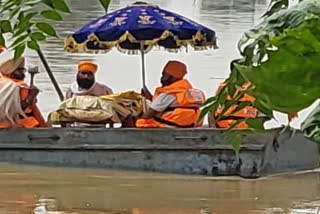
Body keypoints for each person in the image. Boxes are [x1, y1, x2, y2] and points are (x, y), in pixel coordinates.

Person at [136, 61, 205, 128]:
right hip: (189, 126)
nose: (161, 78)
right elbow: (173, 105)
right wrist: (150, 98)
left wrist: (137, 122)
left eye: (164, 75)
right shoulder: (190, 92)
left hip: (168, 128)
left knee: (141, 122)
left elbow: (150, 112)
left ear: (172, 78)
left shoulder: (168, 93)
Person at [0, 57, 46, 128]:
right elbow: (18, 110)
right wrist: (31, 96)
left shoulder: (3, 81)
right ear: (11, 71)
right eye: (19, 70)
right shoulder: (15, 86)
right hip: (14, 125)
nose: (23, 73)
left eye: (23, 70)